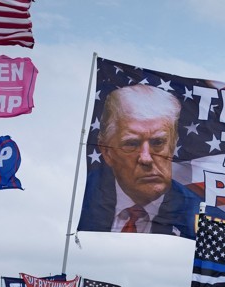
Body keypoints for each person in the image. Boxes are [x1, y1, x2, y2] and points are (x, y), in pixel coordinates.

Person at [76, 84, 217, 239]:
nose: (146, 158)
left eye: (158, 143)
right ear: (107, 152)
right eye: (131, 144)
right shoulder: (77, 200)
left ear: (173, 145)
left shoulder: (206, 220)